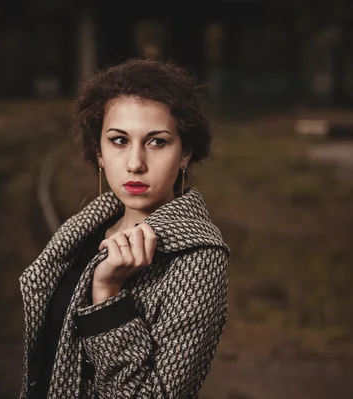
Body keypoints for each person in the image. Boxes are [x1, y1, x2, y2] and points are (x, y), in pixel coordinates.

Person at [18, 58, 230, 398]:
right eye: (119, 141)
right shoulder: (84, 230)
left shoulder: (198, 259)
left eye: (157, 142)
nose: (135, 163)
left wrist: (108, 294)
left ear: (186, 153)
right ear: (98, 152)